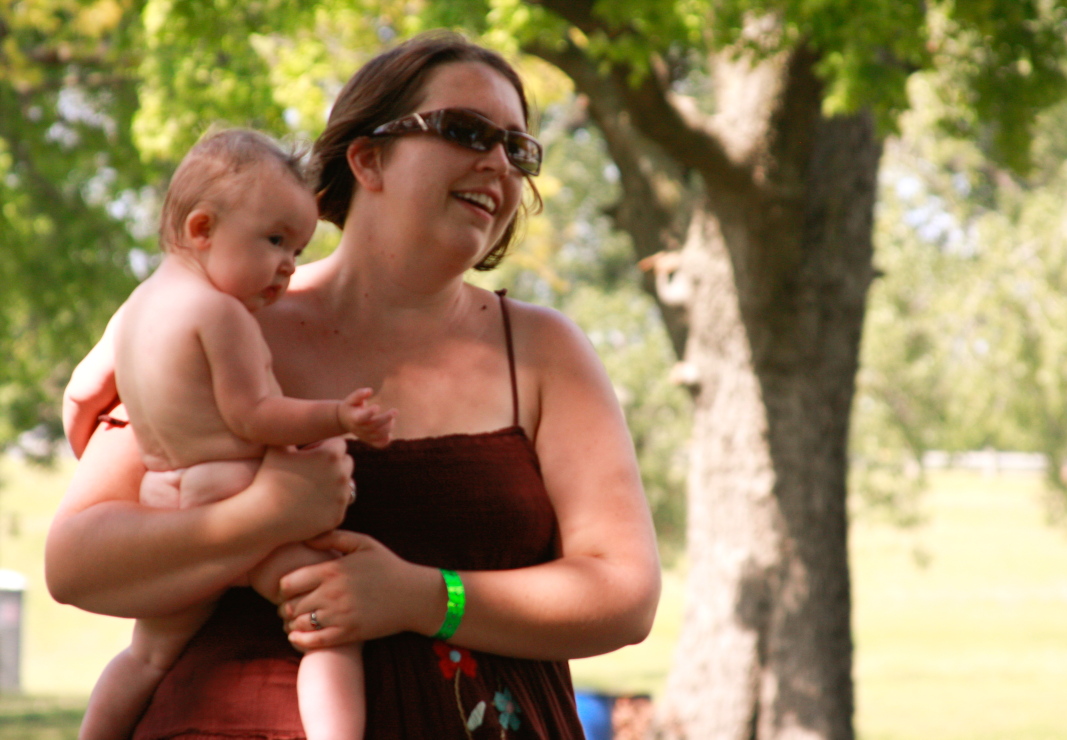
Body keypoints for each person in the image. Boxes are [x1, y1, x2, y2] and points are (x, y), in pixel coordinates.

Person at [46, 30, 661, 739]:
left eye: (517, 149)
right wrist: (263, 517)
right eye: (466, 131)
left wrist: (425, 598)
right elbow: (77, 565)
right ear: (368, 158)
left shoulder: (545, 350)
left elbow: (624, 594)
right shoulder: (226, 318)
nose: (498, 163)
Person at [63, 129, 395, 740]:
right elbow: (254, 416)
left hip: (165, 498)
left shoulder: (134, 308)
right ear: (202, 229)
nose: (289, 265)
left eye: (297, 249)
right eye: (275, 241)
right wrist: (338, 418)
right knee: (327, 626)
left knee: (146, 657)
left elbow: (82, 394)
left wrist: (87, 446)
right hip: (234, 493)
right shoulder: (222, 314)